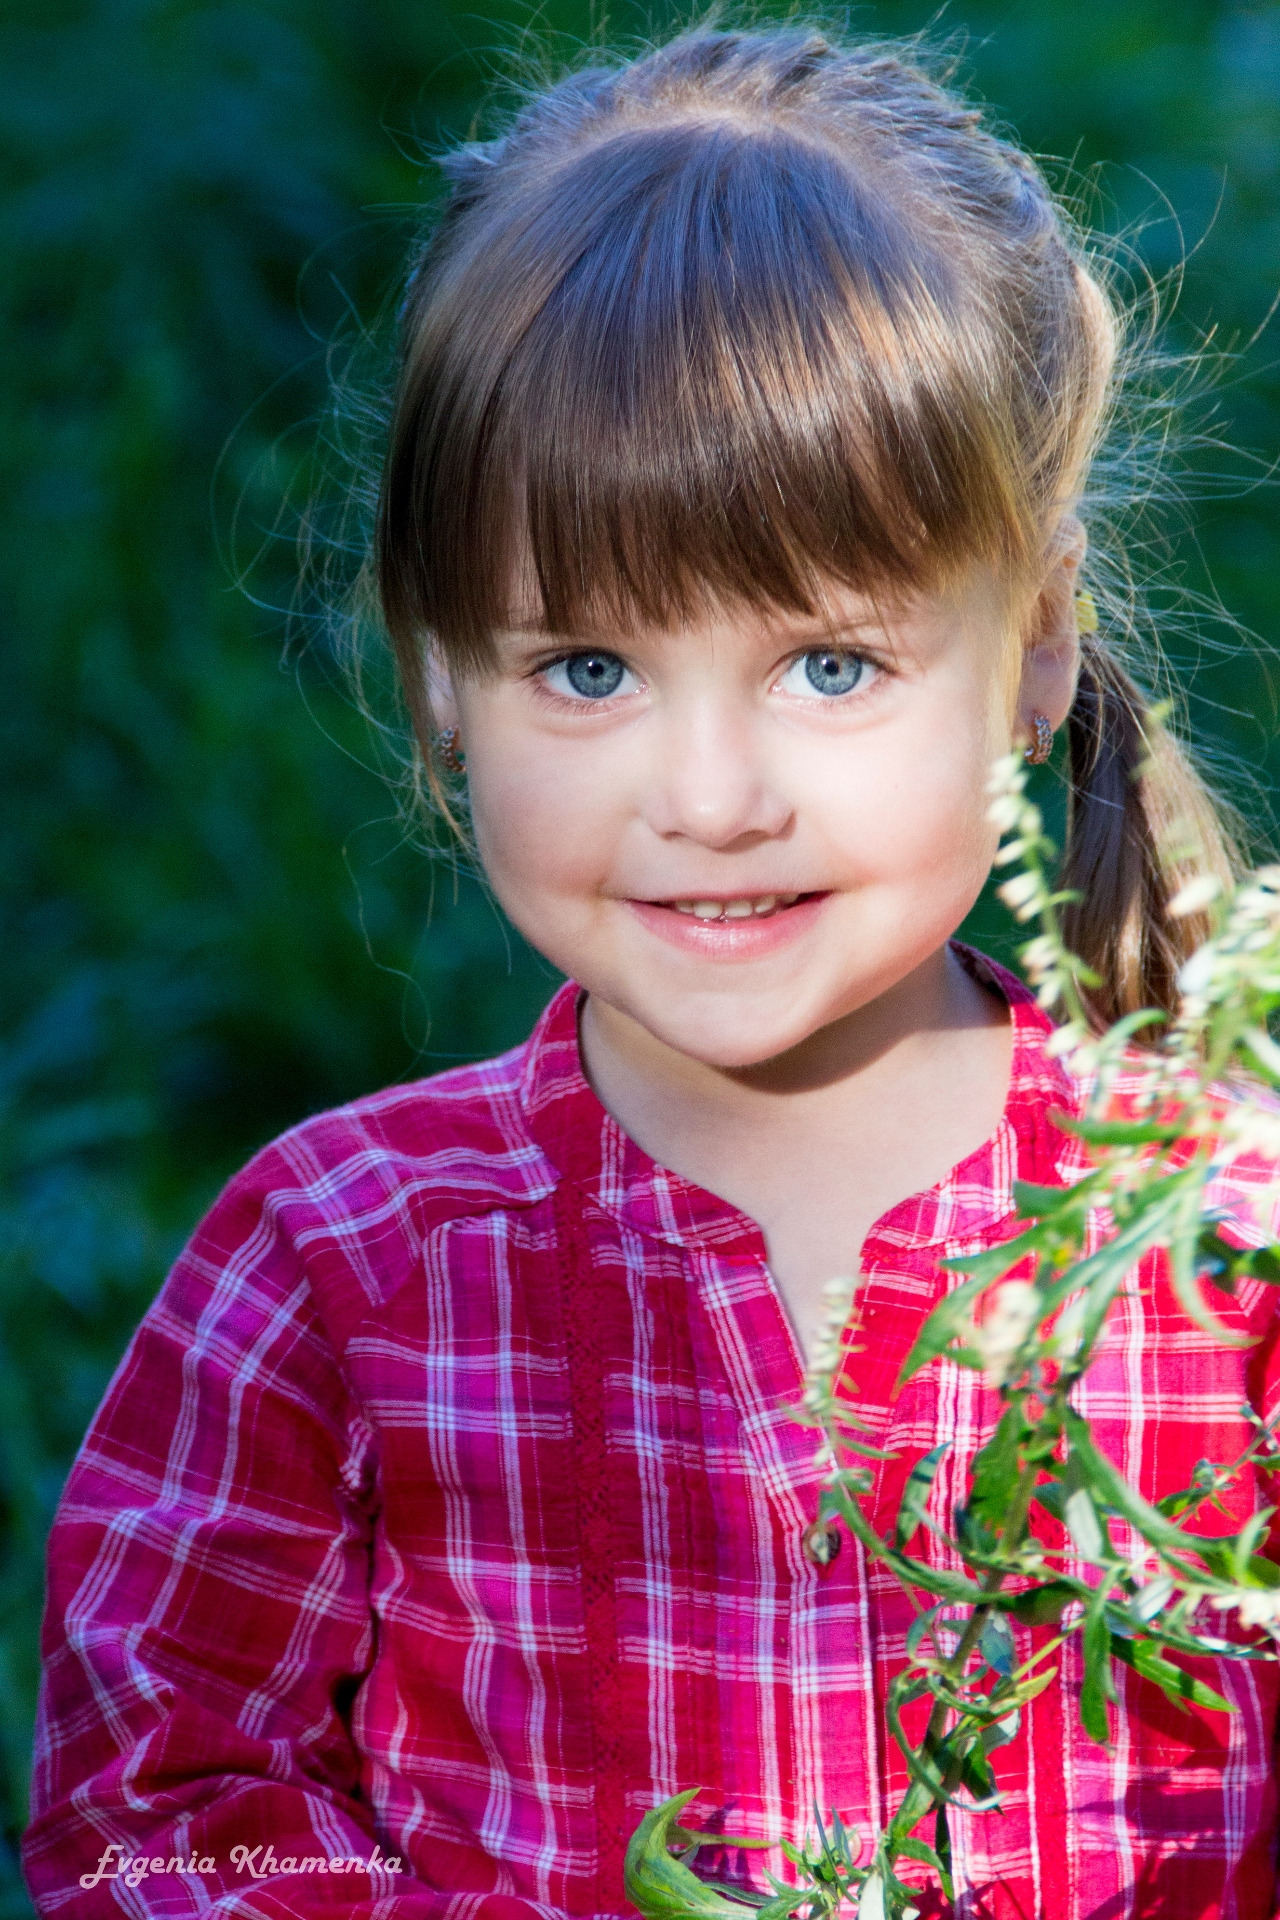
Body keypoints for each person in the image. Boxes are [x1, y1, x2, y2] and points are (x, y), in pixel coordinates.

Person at [22, 22, 1280, 1920]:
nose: (708, 800)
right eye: (587, 670)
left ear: (1032, 646)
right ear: (442, 674)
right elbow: (153, 1806)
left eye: (830, 666)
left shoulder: (1218, 1243)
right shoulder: (342, 1261)